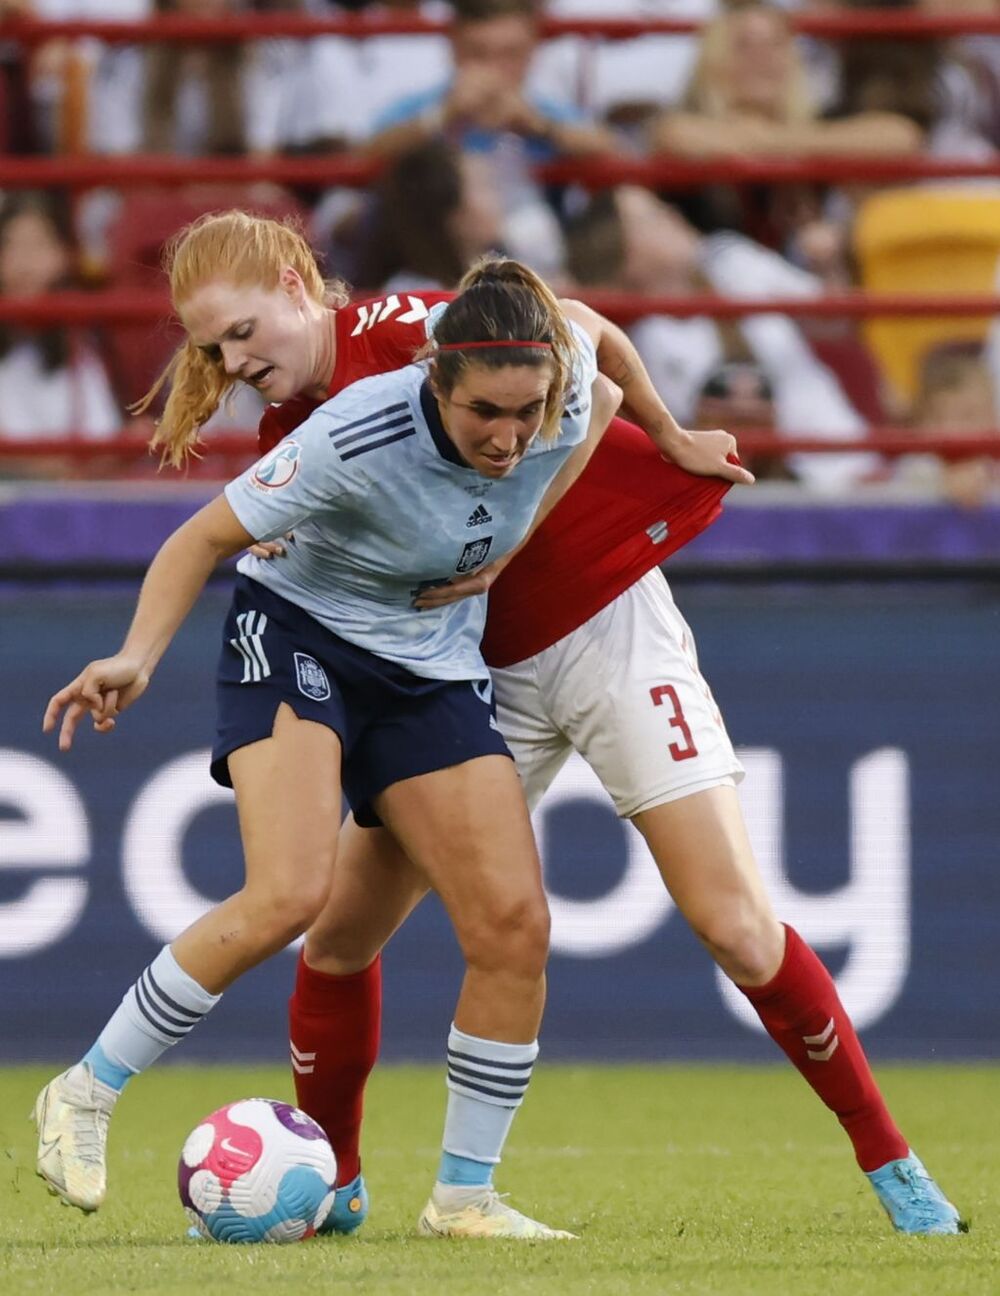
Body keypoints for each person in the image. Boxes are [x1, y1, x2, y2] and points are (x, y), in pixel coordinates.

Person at [65, 212, 961, 1240]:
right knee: (341, 933)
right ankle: (336, 1183)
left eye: (239, 332)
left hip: (610, 624)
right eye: (212, 351)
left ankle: (892, 1165)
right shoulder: (299, 436)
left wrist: (665, 441)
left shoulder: (400, 330)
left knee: (736, 925)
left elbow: (580, 335)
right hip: (474, 666)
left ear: (291, 281)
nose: (231, 362)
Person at [33, 253, 626, 1242]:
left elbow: (602, 363)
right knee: (291, 895)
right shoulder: (358, 427)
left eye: (527, 414)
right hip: (299, 636)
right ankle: (85, 1093)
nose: (508, 436)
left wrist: (645, 450)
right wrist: (136, 656)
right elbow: (197, 541)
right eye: (485, 413)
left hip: (427, 667)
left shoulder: (550, 390)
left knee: (514, 925)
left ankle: (463, 1200)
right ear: (437, 379)